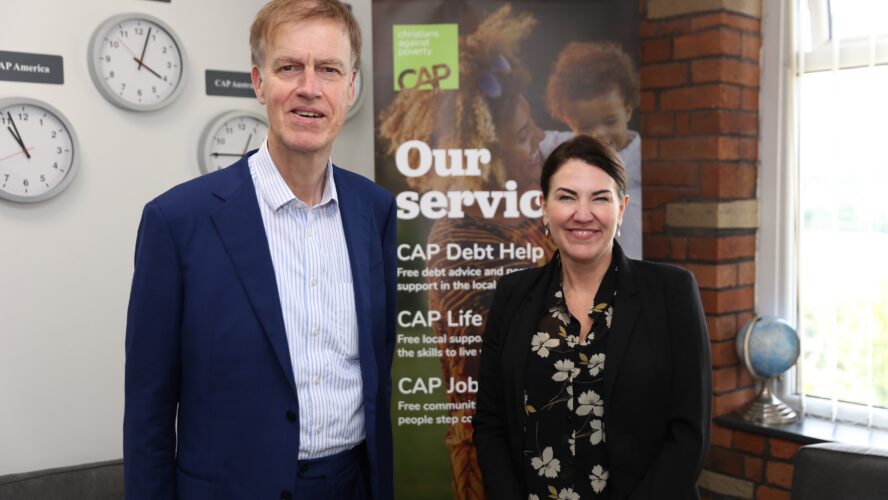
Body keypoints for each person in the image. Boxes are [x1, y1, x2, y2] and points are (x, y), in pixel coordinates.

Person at [123, 1, 396, 499]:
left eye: (329, 70)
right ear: (259, 81)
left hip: (353, 483)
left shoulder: (374, 211)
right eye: (289, 66)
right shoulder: (177, 222)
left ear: (351, 87)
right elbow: (149, 409)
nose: (309, 87)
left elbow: (378, 365)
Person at [377, 5, 557, 497]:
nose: (541, 137)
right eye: (524, 135)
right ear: (489, 154)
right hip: (497, 454)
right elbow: (492, 364)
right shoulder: (457, 238)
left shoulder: (533, 211)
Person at [473, 135, 711, 499]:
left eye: (600, 198)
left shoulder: (672, 293)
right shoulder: (513, 295)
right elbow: (490, 424)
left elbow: (689, 435)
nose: (582, 214)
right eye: (566, 196)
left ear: (622, 208)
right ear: (544, 206)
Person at [545, 41, 643, 260]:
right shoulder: (560, 149)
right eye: (586, 127)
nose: (599, 135)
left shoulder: (647, 159)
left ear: (627, 109)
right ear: (569, 122)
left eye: (610, 121)